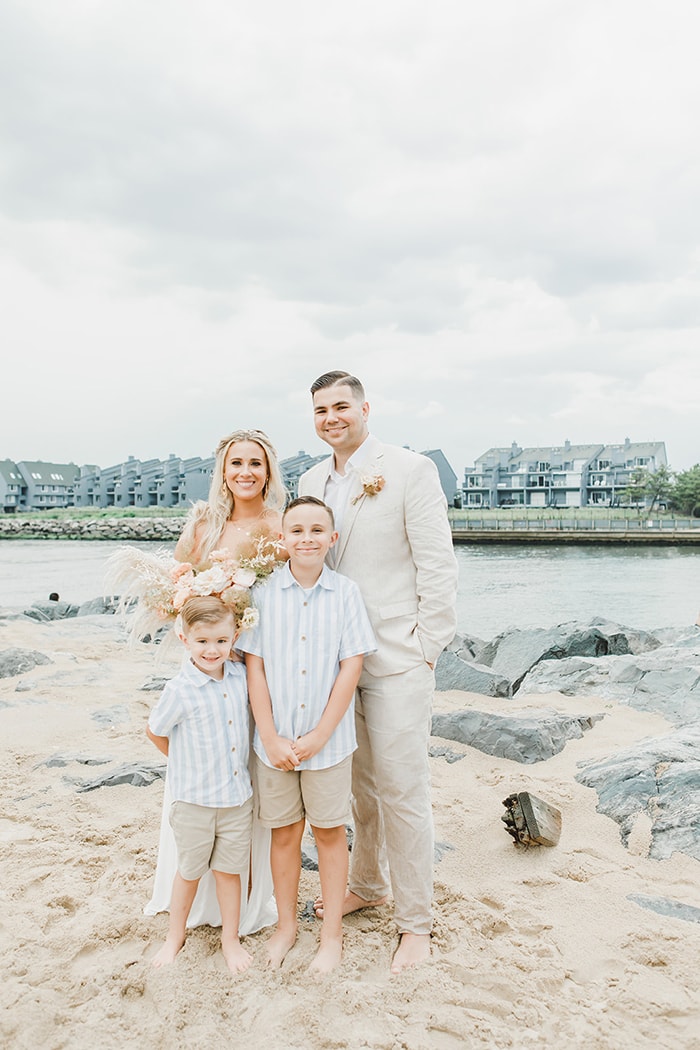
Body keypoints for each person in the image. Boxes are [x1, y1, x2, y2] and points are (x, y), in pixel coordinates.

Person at [298, 371, 458, 974]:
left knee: (403, 790)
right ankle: (369, 884)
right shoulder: (312, 480)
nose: (332, 417)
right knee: (358, 785)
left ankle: (416, 922)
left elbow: (437, 562)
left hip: (396, 657)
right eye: (321, 409)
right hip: (332, 664)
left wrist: (429, 646)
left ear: (366, 408)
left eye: (341, 406)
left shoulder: (410, 470)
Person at [145, 428, 287, 934]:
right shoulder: (204, 526)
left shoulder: (279, 525)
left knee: (244, 777)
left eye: (255, 463)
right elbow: (176, 596)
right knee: (206, 773)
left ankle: (242, 907)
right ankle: (191, 902)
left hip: (256, 667)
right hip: (210, 666)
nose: (245, 472)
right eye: (235, 464)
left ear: (268, 470)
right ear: (222, 472)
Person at [236, 497, 376, 972]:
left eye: (318, 530)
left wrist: (319, 735)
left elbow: (350, 667)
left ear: (332, 539)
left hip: (329, 744)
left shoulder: (346, 594)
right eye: (297, 530)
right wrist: (271, 737)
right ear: (283, 539)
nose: (307, 538)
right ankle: (286, 927)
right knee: (284, 835)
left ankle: (331, 935)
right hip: (273, 743)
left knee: (330, 833)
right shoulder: (262, 594)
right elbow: (254, 668)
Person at [146, 596, 254, 972]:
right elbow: (156, 732)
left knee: (229, 872)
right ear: (185, 639)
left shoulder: (241, 677)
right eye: (203, 641)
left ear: (234, 638)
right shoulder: (179, 689)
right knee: (189, 870)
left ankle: (231, 939)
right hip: (193, 801)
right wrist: (184, 763)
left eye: (221, 641)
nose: (212, 650)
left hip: (237, 799)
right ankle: (175, 936)